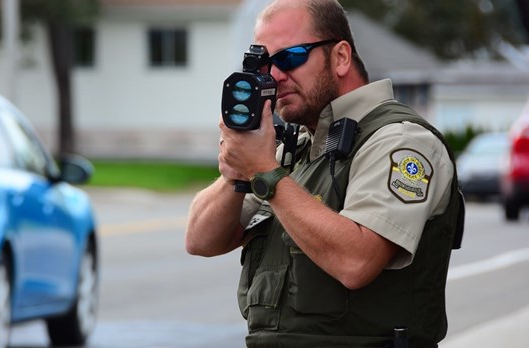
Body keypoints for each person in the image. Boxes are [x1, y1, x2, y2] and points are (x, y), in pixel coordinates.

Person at [185, 0, 464, 347]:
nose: (274, 76)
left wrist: (265, 171)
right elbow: (200, 240)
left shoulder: (399, 140)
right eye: (265, 63)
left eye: (290, 57)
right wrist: (235, 171)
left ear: (341, 57)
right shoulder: (293, 148)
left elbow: (356, 262)